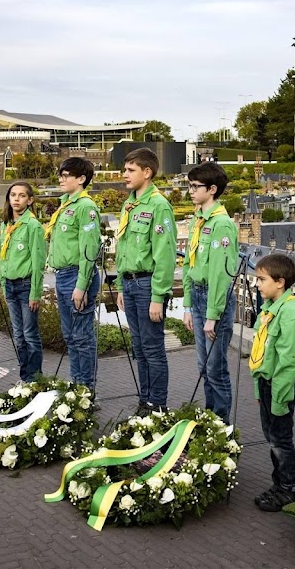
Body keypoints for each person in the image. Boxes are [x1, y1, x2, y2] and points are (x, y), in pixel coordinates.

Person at [115, 148, 177, 415]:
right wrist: (119, 285)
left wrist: (158, 296)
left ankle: (158, 406)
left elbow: (164, 255)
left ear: (147, 172)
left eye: (130, 170)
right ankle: (145, 400)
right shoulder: (129, 204)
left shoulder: (159, 205)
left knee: (153, 348)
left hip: (147, 285)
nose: (125, 174)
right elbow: (122, 249)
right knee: (139, 348)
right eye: (125, 169)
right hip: (129, 284)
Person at [249, 253, 295, 512]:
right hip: (267, 384)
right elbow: (262, 353)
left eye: (262, 279)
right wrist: (259, 388)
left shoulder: (291, 314)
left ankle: (288, 489)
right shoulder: (269, 310)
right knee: (272, 436)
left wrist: (278, 395)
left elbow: (290, 362)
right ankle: (280, 484)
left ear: (280, 282)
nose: (257, 284)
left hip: (279, 387)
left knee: (281, 439)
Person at [182, 161, 238, 423]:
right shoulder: (198, 219)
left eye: (195, 187)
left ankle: (222, 428)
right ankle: (209, 420)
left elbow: (220, 274)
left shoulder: (222, 225)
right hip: (199, 294)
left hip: (215, 299)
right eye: (189, 186)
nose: (190, 191)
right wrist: (187, 305)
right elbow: (189, 263)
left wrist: (212, 315)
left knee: (216, 369)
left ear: (212, 189)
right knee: (204, 368)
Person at [47, 157, 102, 393]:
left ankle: (85, 390)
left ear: (81, 179)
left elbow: (89, 252)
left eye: (66, 175)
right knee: (70, 336)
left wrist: (81, 286)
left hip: (77, 276)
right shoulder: (65, 205)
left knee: (82, 337)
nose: (61, 178)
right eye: (60, 174)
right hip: (63, 276)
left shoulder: (85, 207)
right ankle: (76, 384)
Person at [0, 181, 47, 382]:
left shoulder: (32, 226)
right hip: (10, 285)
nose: (16, 199)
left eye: (21, 195)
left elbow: (38, 262)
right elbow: (2, 258)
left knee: (29, 334)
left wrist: (35, 293)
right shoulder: (6, 225)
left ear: (30, 200)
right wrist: (3, 284)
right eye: (13, 195)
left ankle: (34, 378)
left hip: (26, 286)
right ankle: (24, 376)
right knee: (18, 335)